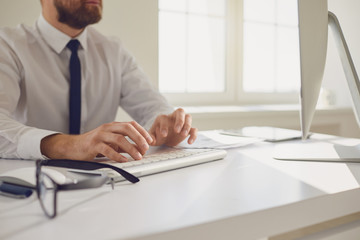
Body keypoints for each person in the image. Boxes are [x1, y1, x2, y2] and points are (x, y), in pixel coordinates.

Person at [0, 0, 197, 162]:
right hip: (29, 188)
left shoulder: (113, 51)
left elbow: (154, 107)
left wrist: (166, 126)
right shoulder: (8, 46)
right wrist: (69, 145)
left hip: (108, 185)